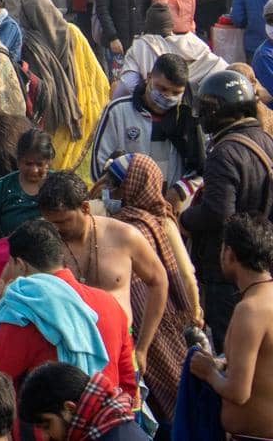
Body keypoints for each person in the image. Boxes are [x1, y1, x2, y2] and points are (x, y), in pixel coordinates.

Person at [92, 155, 202, 430]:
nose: (111, 192)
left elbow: (185, 274)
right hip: (155, 323)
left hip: (160, 323)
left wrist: (194, 311)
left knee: (166, 390)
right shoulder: (145, 221)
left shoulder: (141, 225)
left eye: (117, 185)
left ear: (135, 186)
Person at [0, 219, 136, 401]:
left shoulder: (25, 312)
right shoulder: (110, 304)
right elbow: (128, 386)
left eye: (8, 264)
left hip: (47, 425)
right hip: (105, 420)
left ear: (20, 264)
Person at [181, 69, 273, 343]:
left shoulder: (224, 152)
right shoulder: (265, 140)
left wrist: (184, 218)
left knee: (231, 349)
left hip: (230, 273)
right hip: (263, 261)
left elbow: (218, 213)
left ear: (218, 112)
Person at [37, 170, 167, 357]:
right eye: (51, 223)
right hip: (67, 351)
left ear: (85, 208)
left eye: (64, 221)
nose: (56, 229)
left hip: (120, 347)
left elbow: (159, 281)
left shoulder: (123, 235)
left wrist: (142, 348)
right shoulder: (44, 242)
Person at [188, 212, 273, 437]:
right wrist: (223, 363)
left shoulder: (250, 309)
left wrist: (208, 372)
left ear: (229, 253)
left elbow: (238, 392)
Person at [17, 0, 107, 172]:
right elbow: (96, 73)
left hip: (54, 118)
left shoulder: (30, 45)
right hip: (85, 111)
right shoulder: (72, 32)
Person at [88, 51, 204, 187]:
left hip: (172, 203)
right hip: (125, 202)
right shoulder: (118, 111)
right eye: (162, 89)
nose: (168, 96)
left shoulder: (187, 117)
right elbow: (99, 165)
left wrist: (181, 191)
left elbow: (200, 168)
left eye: (176, 93)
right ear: (149, 77)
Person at [16, 361, 147, 441]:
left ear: (70, 408)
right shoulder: (114, 425)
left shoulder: (112, 435)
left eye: (47, 426)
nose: (45, 437)